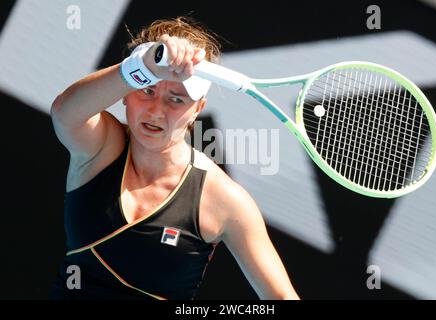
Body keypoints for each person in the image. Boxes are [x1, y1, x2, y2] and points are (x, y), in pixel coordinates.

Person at [49, 16, 300, 300]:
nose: (156, 110)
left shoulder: (224, 199)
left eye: (176, 99)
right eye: (147, 89)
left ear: (198, 109)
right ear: (126, 94)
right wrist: (143, 65)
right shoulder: (101, 145)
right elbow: (64, 112)